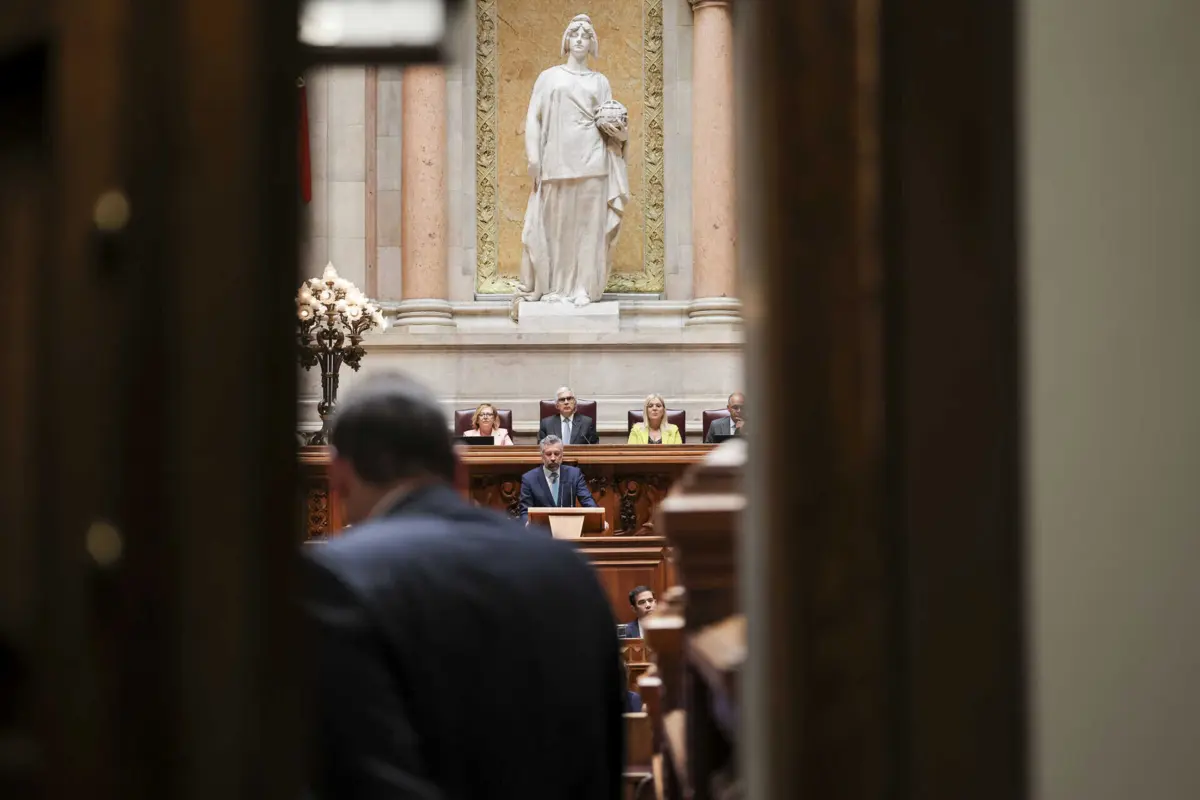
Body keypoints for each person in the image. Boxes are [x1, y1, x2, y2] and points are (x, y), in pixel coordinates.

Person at [303, 373, 623, 799]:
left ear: (338, 479)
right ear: (458, 471)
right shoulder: (568, 570)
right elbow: (602, 757)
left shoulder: (334, 579)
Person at [519, 14, 630, 306]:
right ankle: (555, 287)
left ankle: (583, 286)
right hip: (556, 161)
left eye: (586, 35)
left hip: (593, 161)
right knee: (556, 227)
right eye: (574, 34)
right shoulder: (549, 77)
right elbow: (533, 117)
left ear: (592, 43)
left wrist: (620, 131)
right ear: (566, 41)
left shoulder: (600, 81)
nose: (580, 39)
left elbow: (611, 120)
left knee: (588, 228)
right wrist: (533, 156)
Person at [518, 434, 597, 524]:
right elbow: (525, 511)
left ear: (562, 455)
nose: (553, 458)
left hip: (568, 528)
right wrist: (527, 524)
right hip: (541, 531)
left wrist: (597, 516)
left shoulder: (574, 474)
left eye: (556, 454)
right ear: (542, 455)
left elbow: (587, 499)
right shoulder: (529, 478)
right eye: (548, 454)